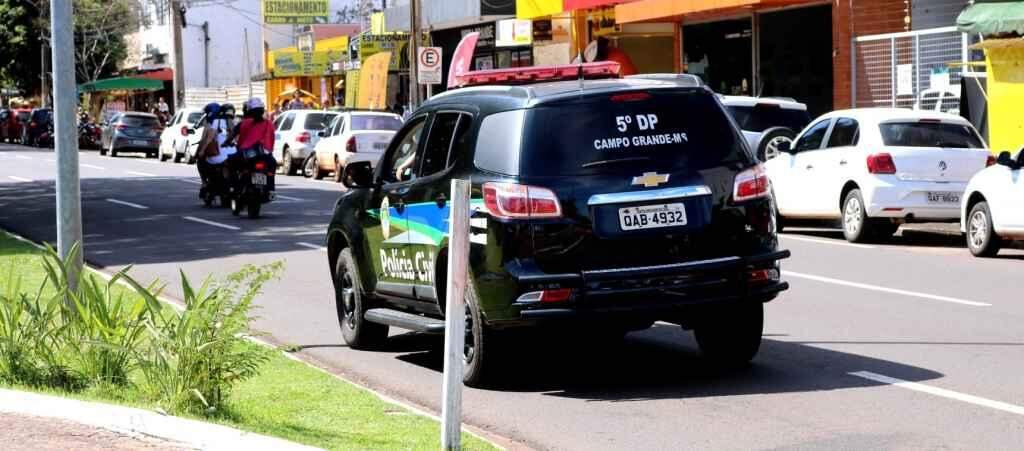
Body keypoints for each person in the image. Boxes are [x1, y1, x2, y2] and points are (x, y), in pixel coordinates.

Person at [235, 97, 277, 189]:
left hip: (249, 154)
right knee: (272, 165)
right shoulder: (268, 123)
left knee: (233, 164)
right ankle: (270, 188)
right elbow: (272, 140)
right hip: (261, 154)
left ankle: (235, 188)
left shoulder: (245, 123)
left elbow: (239, 139)